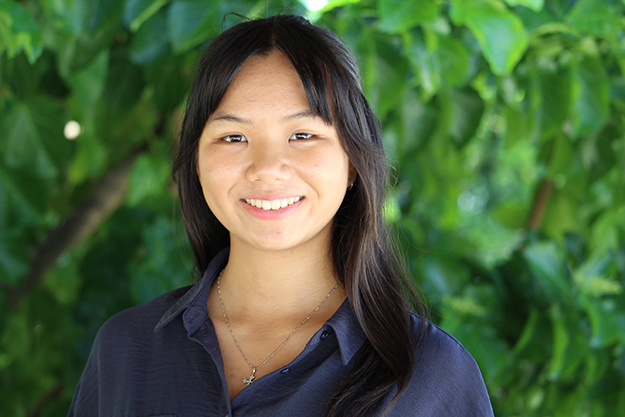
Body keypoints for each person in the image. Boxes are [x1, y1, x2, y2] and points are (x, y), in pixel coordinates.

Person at [68, 14, 494, 417]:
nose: (267, 167)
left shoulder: (432, 376)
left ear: (352, 162)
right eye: (234, 137)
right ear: (196, 162)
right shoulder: (125, 350)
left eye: (303, 134)